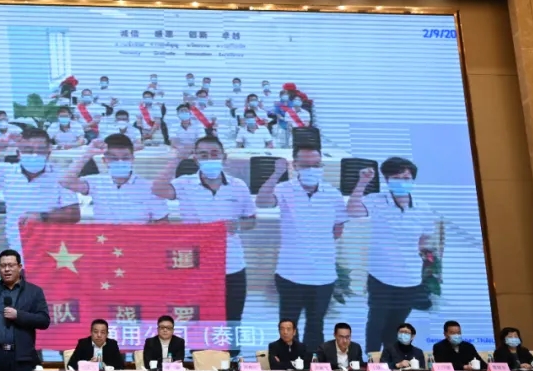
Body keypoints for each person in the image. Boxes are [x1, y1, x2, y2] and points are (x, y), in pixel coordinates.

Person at [153, 135, 256, 355]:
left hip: (232, 264)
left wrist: (237, 225)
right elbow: (158, 189)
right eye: (203, 155)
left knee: (232, 316)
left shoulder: (238, 186)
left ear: (224, 157)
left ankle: (231, 360)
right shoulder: (185, 183)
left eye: (214, 154)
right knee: (199, 317)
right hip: (197, 265)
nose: (210, 158)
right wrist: (177, 158)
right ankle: (200, 359)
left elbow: (251, 220)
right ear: (195, 159)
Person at [257, 147, 348, 349]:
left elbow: (338, 228)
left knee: (316, 324)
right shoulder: (284, 189)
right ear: (295, 165)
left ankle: (311, 362)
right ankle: (286, 361)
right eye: (306, 165)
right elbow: (262, 201)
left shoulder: (332, 194)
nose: (311, 169)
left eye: (316, 165)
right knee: (288, 326)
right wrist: (276, 173)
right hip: (291, 273)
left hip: (322, 274)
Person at [347, 157, 436, 354]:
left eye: (406, 178)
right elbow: (352, 211)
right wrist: (362, 182)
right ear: (387, 180)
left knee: (396, 326)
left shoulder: (423, 208)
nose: (402, 182)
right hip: (381, 276)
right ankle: (371, 361)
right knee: (376, 323)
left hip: (410, 279)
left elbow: (424, 239)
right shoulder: (376, 201)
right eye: (396, 178)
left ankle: (390, 360)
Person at [0, 127, 80, 255]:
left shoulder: (62, 176)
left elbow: (74, 214)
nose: (34, 155)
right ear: (18, 153)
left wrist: (42, 217)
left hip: (54, 250)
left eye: (40, 151)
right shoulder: (7, 172)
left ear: (48, 152)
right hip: (18, 247)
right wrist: (1, 142)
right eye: (28, 150)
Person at [60, 134, 168, 223]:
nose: (120, 162)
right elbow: (65, 182)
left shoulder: (150, 188)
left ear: (132, 159)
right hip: (104, 239)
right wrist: (88, 154)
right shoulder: (96, 182)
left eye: (125, 158)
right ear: (104, 160)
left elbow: (162, 222)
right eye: (114, 158)